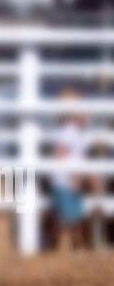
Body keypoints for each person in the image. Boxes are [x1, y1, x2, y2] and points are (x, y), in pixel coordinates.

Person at [46, 88, 93, 251]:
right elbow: (61, 154)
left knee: (69, 217)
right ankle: (74, 246)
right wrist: (73, 175)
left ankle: (57, 245)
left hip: (68, 181)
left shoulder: (74, 132)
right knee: (71, 219)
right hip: (66, 181)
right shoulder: (69, 131)